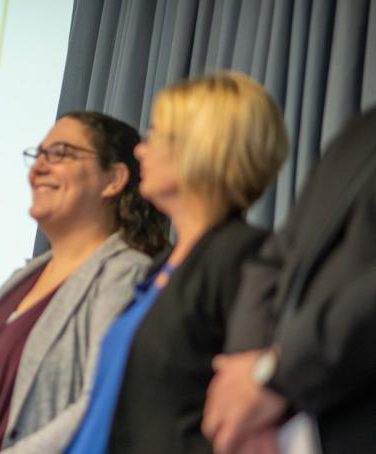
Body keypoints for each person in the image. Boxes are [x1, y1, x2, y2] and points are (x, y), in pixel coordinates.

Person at [64, 72, 289, 454]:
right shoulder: (160, 266)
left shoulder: (242, 257)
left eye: (155, 135)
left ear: (202, 148)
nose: (139, 150)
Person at [0, 111, 168, 453]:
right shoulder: (20, 280)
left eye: (61, 154)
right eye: (38, 156)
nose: (38, 168)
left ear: (113, 179)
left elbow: (102, 403)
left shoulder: (126, 274)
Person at [202, 106, 376, 454]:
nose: (142, 148)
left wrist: (279, 376)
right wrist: (249, 385)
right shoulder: (362, 129)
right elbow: (275, 258)